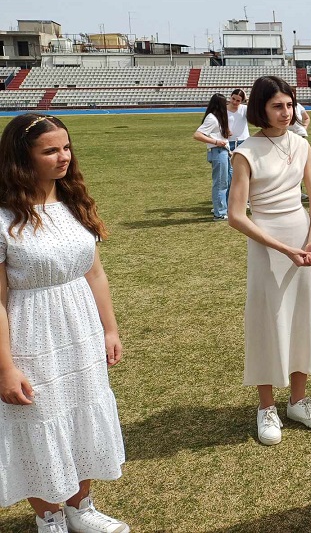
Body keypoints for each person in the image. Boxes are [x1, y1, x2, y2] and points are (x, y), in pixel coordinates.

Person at [0, 114, 128, 533]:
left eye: (67, 147)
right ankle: (49, 518)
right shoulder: (4, 219)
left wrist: (109, 329)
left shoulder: (72, 203)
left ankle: (81, 508)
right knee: (40, 421)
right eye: (50, 150)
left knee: (82, 412)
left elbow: (95, 273)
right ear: (23, 157)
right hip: (30, 333)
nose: (64, 158)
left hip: (81, 327)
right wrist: (6, 367)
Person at [228, 76, 311, 446]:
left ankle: (299, 400)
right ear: (261, 108)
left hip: (303, 241)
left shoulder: (302, 145)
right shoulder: (246, 152)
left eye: (289, 104)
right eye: (277, 106)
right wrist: (284, 249)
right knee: (269, 321)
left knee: (303, 315)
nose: (285, 112)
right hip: (268, 244)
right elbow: (236, 215)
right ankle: (266, 406)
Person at [193, 93, 231, 220]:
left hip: (223, 151)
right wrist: (215, 142)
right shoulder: (212, 118)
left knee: (226, 181)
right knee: (220, 183)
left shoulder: (218, 118)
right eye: (225, 103)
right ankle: (219, 212)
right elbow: (198, 135)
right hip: (218, 151)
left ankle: (222, 208)